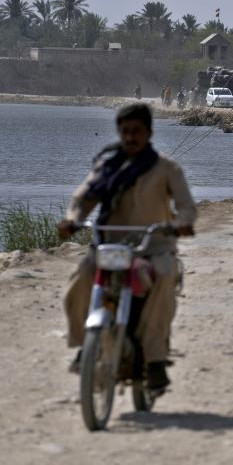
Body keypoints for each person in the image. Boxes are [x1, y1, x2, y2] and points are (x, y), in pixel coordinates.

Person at [59, 103, 196, 394]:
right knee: (81, 278)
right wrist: (72, 220)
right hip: (110, 244)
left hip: (152, 246)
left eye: (136, 132)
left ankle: (155, 359)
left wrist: (182, 223)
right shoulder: (107, 166)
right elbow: (83, 199)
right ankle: (86, 344)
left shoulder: (166, 168)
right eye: (125, 132)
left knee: (165, 274)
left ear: (148, 133)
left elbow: (185, 205)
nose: (130, 137)